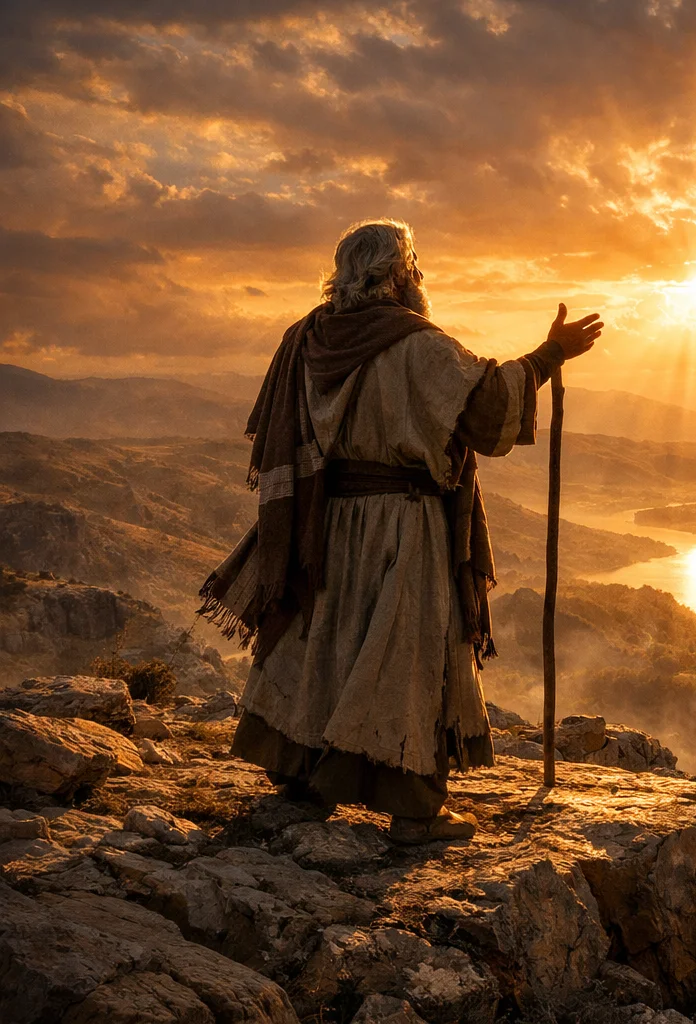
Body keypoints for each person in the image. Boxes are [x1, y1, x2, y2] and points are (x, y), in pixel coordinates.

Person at [200, 218, 601, 843]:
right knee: (406, 651)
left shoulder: (302, 339)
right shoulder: (416, 345)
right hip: (400, 523)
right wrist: (549, 355)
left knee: (323, 638)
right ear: (395, 274)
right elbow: (486, 406)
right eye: (412, 266)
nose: (417, 276)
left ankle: (302, 772)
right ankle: (413, 808)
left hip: (324, 523)